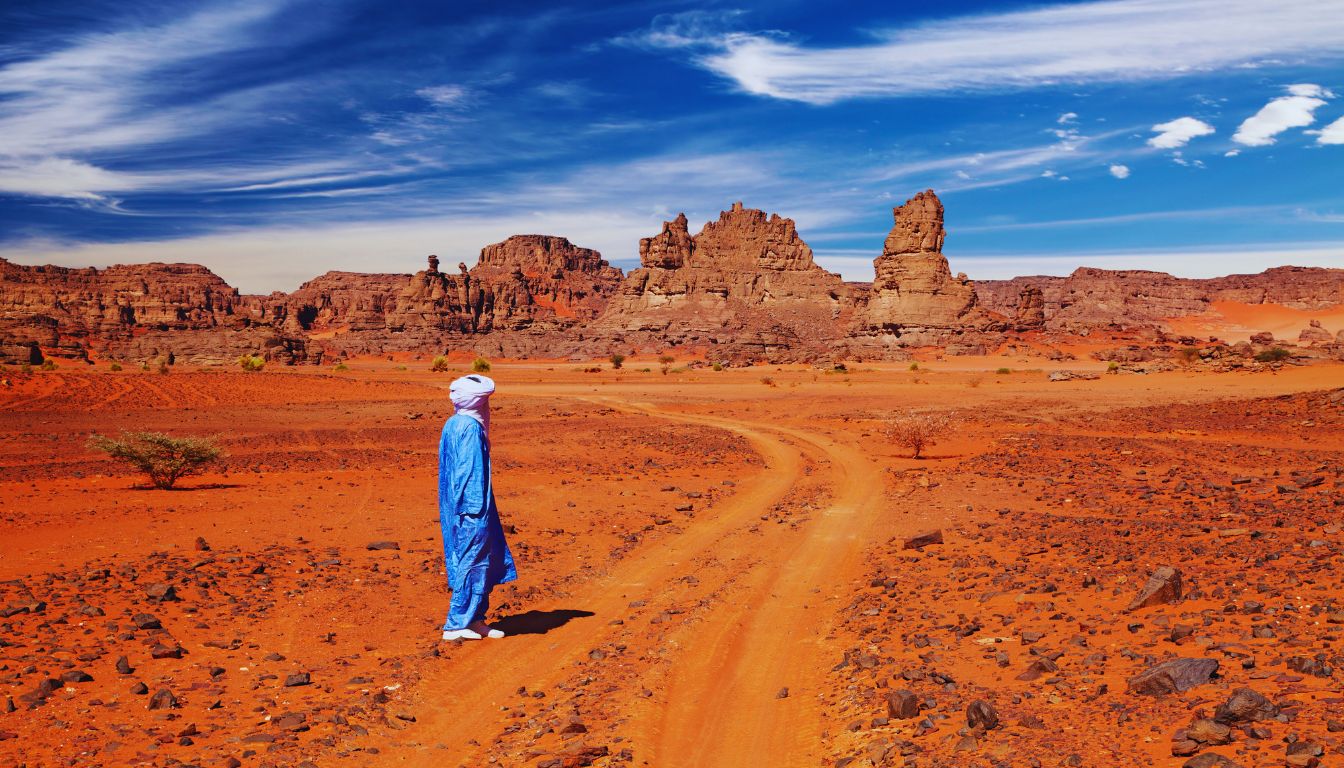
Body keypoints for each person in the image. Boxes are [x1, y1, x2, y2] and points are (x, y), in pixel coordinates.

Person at [439, 373, 517, 640]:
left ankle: (474, 619)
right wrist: (473, 511)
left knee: (478, 559)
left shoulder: (454, 422)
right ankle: (456, 623)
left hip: (460, 503)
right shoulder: (469, 428)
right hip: (471, 507)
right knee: (472, 559)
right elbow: (467, 471)